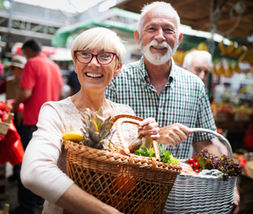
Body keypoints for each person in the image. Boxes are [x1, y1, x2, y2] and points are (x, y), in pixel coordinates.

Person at [105, 1, 239, 210]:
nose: (160, 36)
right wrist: (153, 137)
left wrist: (230, 184)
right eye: (152, 29)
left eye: (168, 30)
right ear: (138, 37)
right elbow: (105, 143)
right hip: (125, 194)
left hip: (181, 198)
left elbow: (205, 143)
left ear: (178, 39)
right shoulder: (116, 79)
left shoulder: (195, 85)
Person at [20, 27, 159, 214]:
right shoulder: (55, 112)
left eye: (104, 56)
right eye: (84, 54)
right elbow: (34, 171)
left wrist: (145, 140)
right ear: (75, 63)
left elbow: (133, 174)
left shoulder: (125, 114)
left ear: (118, 67)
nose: (94, 63)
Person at [11, 39, 64, 214]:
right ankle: (40, 200)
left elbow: (26, 92)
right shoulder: (54, 66)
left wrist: (13, 104)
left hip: (32, 122)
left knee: (26, 165)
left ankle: (26, 207)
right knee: (45, 165)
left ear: (28, 50)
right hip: (51, 124)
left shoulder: (32, 63)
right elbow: (61, 94)